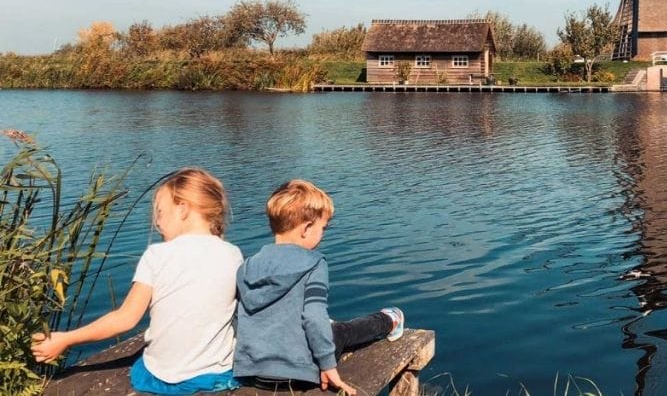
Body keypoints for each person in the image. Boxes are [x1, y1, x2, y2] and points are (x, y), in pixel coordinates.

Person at [32, 168, 243, 394]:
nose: (157, 222)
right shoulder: (233, 254)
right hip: (217, 375)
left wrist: (65, 339)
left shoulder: (157, 255)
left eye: (160, 212)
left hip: (164, 378)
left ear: (182, 209)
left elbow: (125, 319)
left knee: (143, 366)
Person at [234, 179, 404, 394]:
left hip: (254, 374)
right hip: (301, 373)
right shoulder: (313, 263)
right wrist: (327, 365)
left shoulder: (247, 266)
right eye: (323, 228)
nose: (323, 234)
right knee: (339, 331)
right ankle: (390, 318)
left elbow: (239, 318)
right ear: (306, 228)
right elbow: (313, 317)